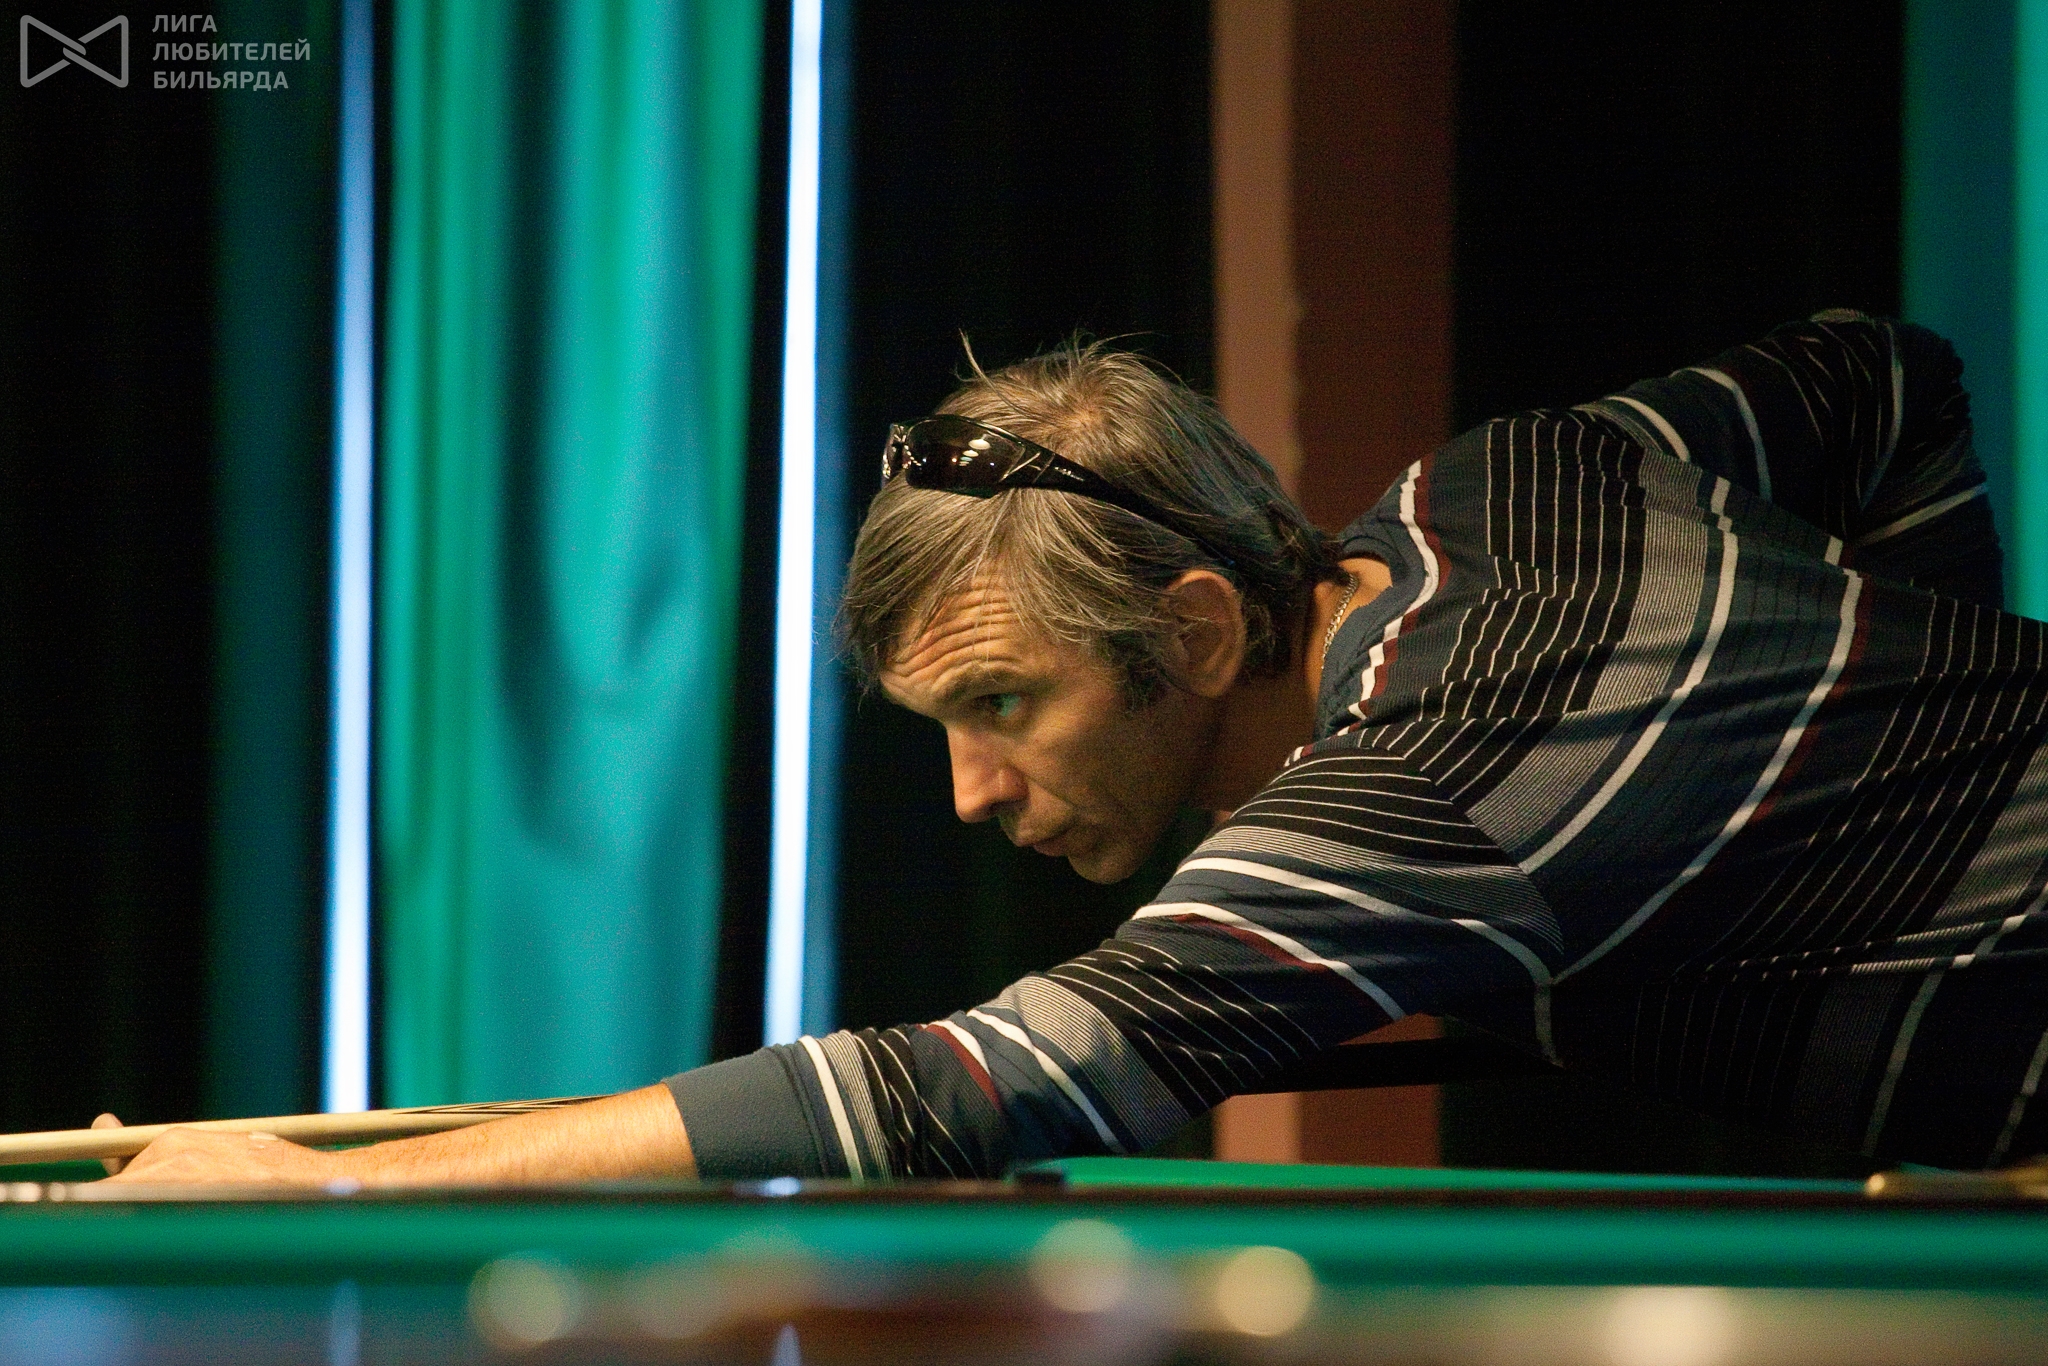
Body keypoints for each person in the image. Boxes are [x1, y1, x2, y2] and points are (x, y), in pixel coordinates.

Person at [105, 312, 2046, 1183]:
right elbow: (1880, 377)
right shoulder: (1512, 483)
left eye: (1003, 706)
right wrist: (1945, 723)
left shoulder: (1425, 780)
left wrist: (323, 1177)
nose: (971, 792)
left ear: (1195, 630)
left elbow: (984, 1084)